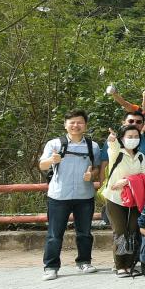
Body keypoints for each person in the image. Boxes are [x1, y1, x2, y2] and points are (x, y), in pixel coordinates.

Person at [39, 110, 105, 279]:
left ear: (85, 125)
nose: (76, 125)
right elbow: (42, 165)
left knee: (84, 233)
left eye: (80, 122)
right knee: (54, 234)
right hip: (59, 196)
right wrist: (51, 160)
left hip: (84, 196)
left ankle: (84, 262)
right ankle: (51, 266)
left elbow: (97, 168)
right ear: (65, 125)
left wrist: (92, 175)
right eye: (72, 122)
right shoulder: (54, 144)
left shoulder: (92, 146)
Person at [101, 125, 145, 277]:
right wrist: (112, 140)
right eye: (129, 137)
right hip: (115, 198)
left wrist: (128, 181)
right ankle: (119, 265)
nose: (133, 139)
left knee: (132, 231)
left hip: (135, 199)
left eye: (136, 137)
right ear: (122, 138)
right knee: (120, 231)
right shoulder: (117, 153)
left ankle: (129, 264)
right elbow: (113, 147)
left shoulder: (140, 156)